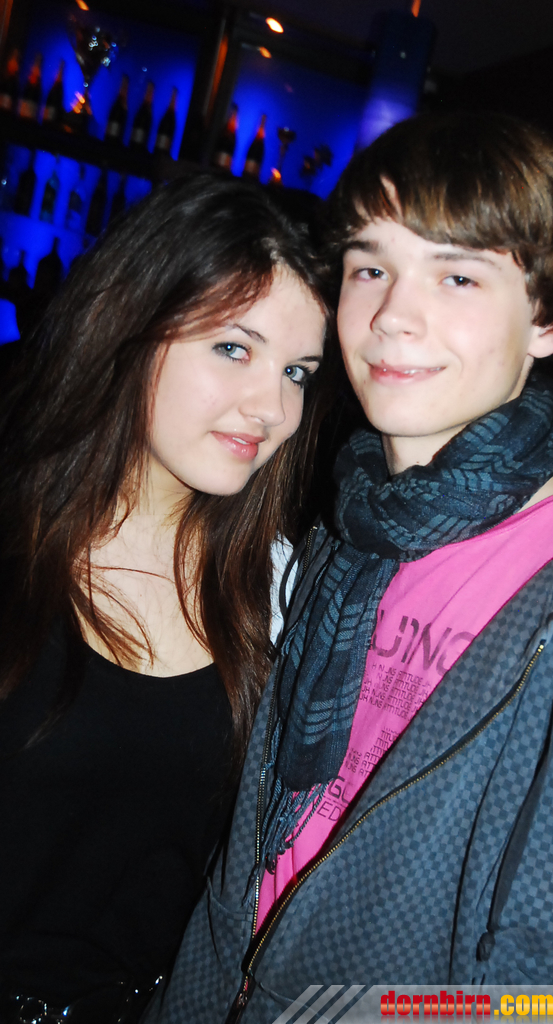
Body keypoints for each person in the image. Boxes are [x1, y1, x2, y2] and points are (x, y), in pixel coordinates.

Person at [149, 114, 553, 1024]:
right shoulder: (346, 533)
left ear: (548, 320)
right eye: (370, 269)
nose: (392, 315)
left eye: (458, 276)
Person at [0, 175, 328, 1023]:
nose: (272, 407)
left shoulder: (281, 590)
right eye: (234, 349)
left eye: (297, 371)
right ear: (130, 324)